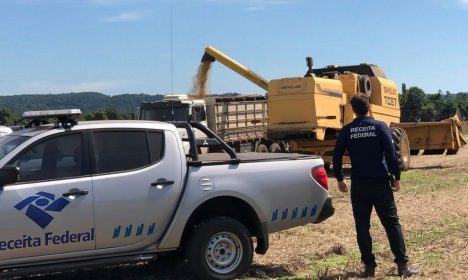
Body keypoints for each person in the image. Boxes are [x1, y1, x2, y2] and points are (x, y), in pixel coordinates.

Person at [332, 93, 418, 278]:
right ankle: (403, 266)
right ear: (369, 106)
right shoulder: (380, 126)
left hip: (359, 185)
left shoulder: (347, 130)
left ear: (353, 110)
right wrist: (397, 176)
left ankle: (369, 268)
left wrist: (339, 178)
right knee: (392, 224)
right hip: (380, 183)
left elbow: (336, 155)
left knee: (362, 227)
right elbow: (390, 152)